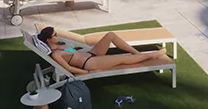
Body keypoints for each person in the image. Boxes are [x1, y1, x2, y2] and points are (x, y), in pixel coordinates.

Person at [38, 27, 167, 74]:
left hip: (90, 54)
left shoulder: (58, 45)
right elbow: (69, 69)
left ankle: (138, 55)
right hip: (89, 63)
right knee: (122, 58)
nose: (57, 36)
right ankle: (153, 55)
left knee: (110, 35)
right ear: (49, 40)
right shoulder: (56, 54)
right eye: (54, 35)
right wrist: (88, 71)